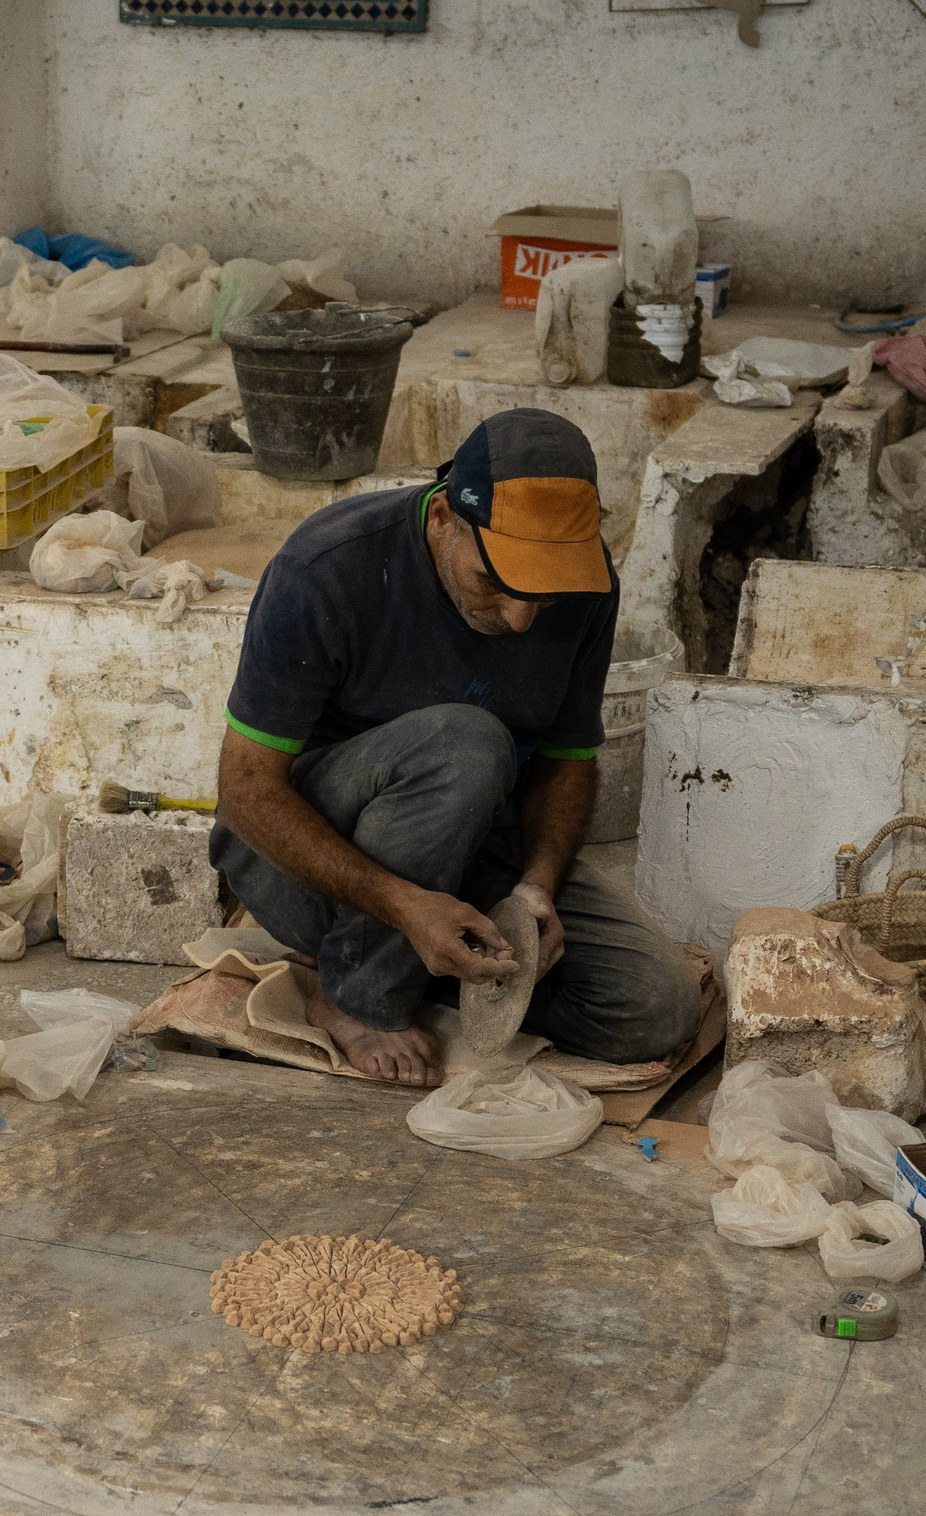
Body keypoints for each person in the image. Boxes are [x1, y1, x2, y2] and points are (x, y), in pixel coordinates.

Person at [210, 408, 701, 1087]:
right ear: (443, 517)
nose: (520, 618)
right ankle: (356, 995)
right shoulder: (326, 567)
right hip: (302, 864)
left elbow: (568, 760)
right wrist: (405, 905)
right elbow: (245, 793)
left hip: (470, 841)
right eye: (493, 581)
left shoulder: (587, 587)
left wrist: (536, 888)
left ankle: (426, 962)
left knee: (657, 1007)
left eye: (543, 597)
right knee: (468, 744)